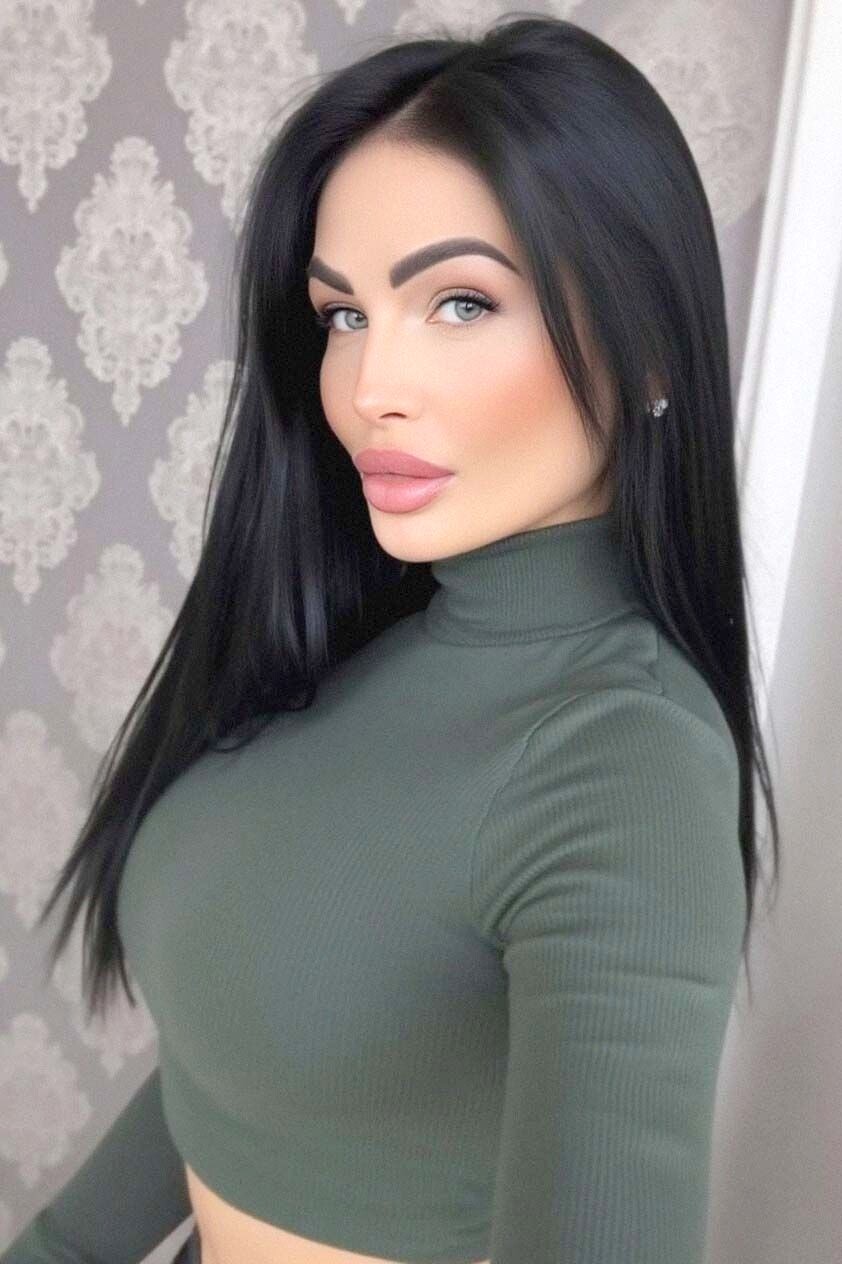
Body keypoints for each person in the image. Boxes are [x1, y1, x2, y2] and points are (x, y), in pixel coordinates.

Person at [2, 14, 780, 1264]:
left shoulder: (623, 760)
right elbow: (235, 1055)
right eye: (344, 315)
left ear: (646, 348)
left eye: (459, 302)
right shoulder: (359, 647)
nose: (369, 389)